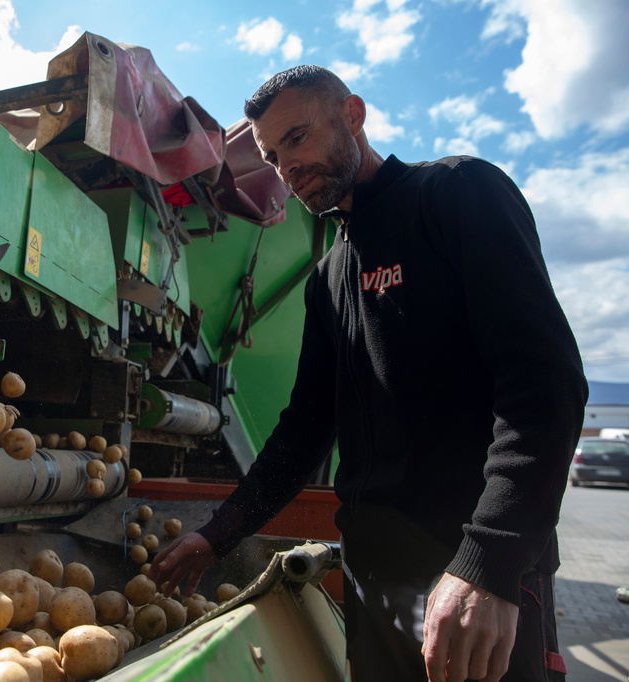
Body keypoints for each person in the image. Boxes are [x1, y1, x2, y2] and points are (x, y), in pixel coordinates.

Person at [149, 65, 587, 682]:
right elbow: (303, 431)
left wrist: (490, 562)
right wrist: (217, 534)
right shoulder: (329, 277)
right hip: (372, 580)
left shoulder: (458, 194)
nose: (286, 168)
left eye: (297, 139)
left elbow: (546, 390)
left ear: (352, 114)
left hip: (468, 577)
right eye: (273, 157)